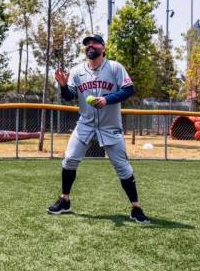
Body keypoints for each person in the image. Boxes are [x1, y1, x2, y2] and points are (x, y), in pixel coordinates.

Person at [47, 34, 151, 224]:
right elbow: (69, 96)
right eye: (86, 44)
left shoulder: (114, 67)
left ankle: (136, 208)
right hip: (85, 124)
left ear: (103, 47)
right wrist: (62, 86)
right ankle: (65, 200)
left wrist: (107, 99)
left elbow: (129, 89)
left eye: (94, 42)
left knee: (122, 167)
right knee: (69, 160)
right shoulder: (78, 71)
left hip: (110, 126)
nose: (89, 45)